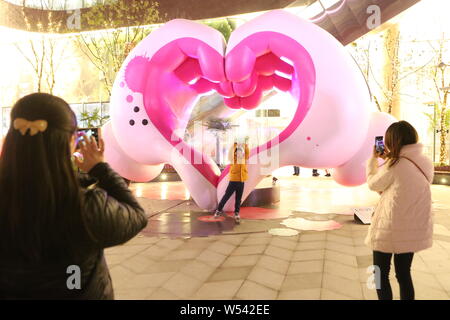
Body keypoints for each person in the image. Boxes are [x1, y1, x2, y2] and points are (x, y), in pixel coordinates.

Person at [0, 93, 148, 299]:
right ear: (70, 142)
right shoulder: (87, 208)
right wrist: (100, 168)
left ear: (12, 139)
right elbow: (136, 215)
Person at [365, 120, 433, 300]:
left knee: (379, 274)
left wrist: (373, 160)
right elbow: (406, 182)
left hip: (389, 229)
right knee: (403, 274)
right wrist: (391, 159)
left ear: (393, 141)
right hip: (412, 229)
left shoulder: (394, 165)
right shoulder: (425, 162)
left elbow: (373, 184)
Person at [214, 140, 250, 223]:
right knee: (226, 196)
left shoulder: (244, 159)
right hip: (233, 181)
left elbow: (247, 153)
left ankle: (236, 213)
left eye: (241, 152)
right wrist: (235, 144)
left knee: (238, 198)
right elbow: (231, 152)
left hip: (241, 182)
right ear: (236, 154)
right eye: (238, 152)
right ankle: (218, 210)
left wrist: (245, 144)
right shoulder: (233, 159)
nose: (240, 154)